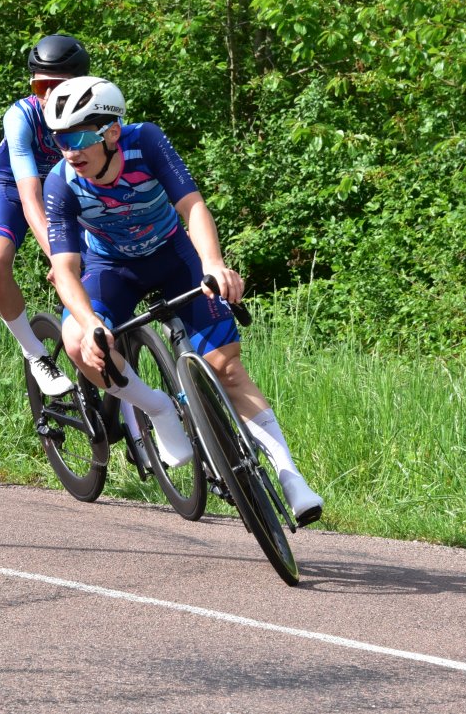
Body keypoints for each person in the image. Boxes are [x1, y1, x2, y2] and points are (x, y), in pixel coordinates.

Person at [40, 75, 324, 525]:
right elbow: (65, 270)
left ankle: (290, 478)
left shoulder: (146, 142)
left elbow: (192, 206)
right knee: (79, 343)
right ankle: (157, 406)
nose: (69, 151)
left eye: (77, 138)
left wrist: (214, 264)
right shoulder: (61, 183)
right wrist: (91, 323)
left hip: (174, 257)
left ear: (111, 132)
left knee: (226, 368)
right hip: (110, 270)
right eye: (60, 140)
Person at [0, 33, 91, 396]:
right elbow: (30, 199)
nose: (48, 96)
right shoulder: (20, 116)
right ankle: (35, 353)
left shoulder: (96, 109)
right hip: (15, 189)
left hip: (71, 191)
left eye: (59, 86)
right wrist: (58, 257)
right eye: (41, 86)